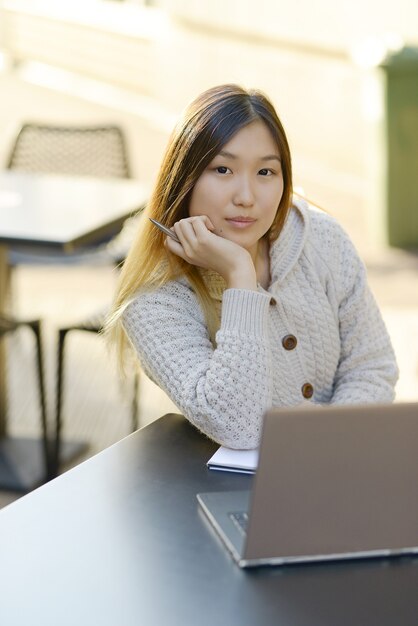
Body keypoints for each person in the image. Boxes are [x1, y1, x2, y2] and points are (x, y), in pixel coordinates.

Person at [106, 84, 398, 449]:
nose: (246, 197)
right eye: (223, 169)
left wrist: (330, 449)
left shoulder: (321, 240)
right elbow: (237, 426)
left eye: (265, 173)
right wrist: (239, 277)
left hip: (345, 461)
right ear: (184, 179)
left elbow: (372, 366)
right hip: (227, 492)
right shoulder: (155, 299)